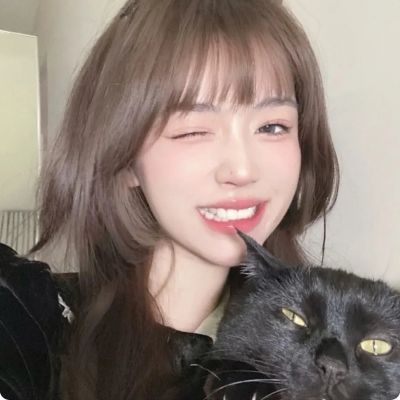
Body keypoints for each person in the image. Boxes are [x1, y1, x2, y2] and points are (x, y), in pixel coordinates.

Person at [0, 0, 339, 399]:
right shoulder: (31, 315)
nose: (243, 169)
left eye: (272, 126)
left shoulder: (339, 354)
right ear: (125, 158)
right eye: (193, 131)